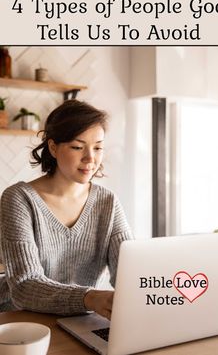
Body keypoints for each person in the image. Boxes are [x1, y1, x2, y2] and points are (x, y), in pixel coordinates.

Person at [0, 99, 133, 319]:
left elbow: (130, 273)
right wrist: (88, 297)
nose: (91, 158)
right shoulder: (18, 199)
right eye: (77, 147)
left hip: (81, 319)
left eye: (98, 147)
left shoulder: (107, 202)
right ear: (53, 147)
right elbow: (24, 285)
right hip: (20, 320)